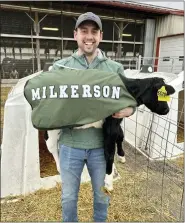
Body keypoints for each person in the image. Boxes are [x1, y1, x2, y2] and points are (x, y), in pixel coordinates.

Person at [51, 12, 135, 222]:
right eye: (84, 31)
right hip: (70, 144)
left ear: (101, 36)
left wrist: (130, 110)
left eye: (94, 32)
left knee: (101, 197)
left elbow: (131, 99)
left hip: (102, 146)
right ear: (75, 35)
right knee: (69, 198)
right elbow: (50, 101)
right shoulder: (60, 67)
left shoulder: (114, 69)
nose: (89, 36)